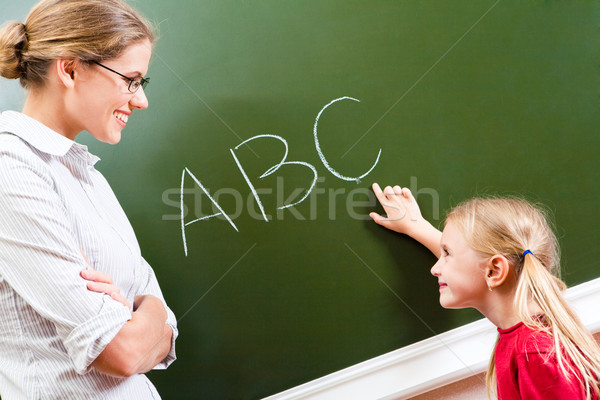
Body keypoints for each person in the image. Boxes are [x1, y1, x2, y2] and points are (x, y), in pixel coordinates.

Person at [0, 0, 177, 398]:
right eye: (131, 80)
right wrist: (147, 314)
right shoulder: (10, 169)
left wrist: (145, 311)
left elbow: (162, 318)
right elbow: (122, 352)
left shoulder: (87, 176)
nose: (140, 100)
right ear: (71, 68)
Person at [369, 183, 600, 399]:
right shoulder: (530, 333)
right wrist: (416, 226)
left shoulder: (535, 356)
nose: (435, 269)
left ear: (495, 271)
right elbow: (477, 262)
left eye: (446, 253)